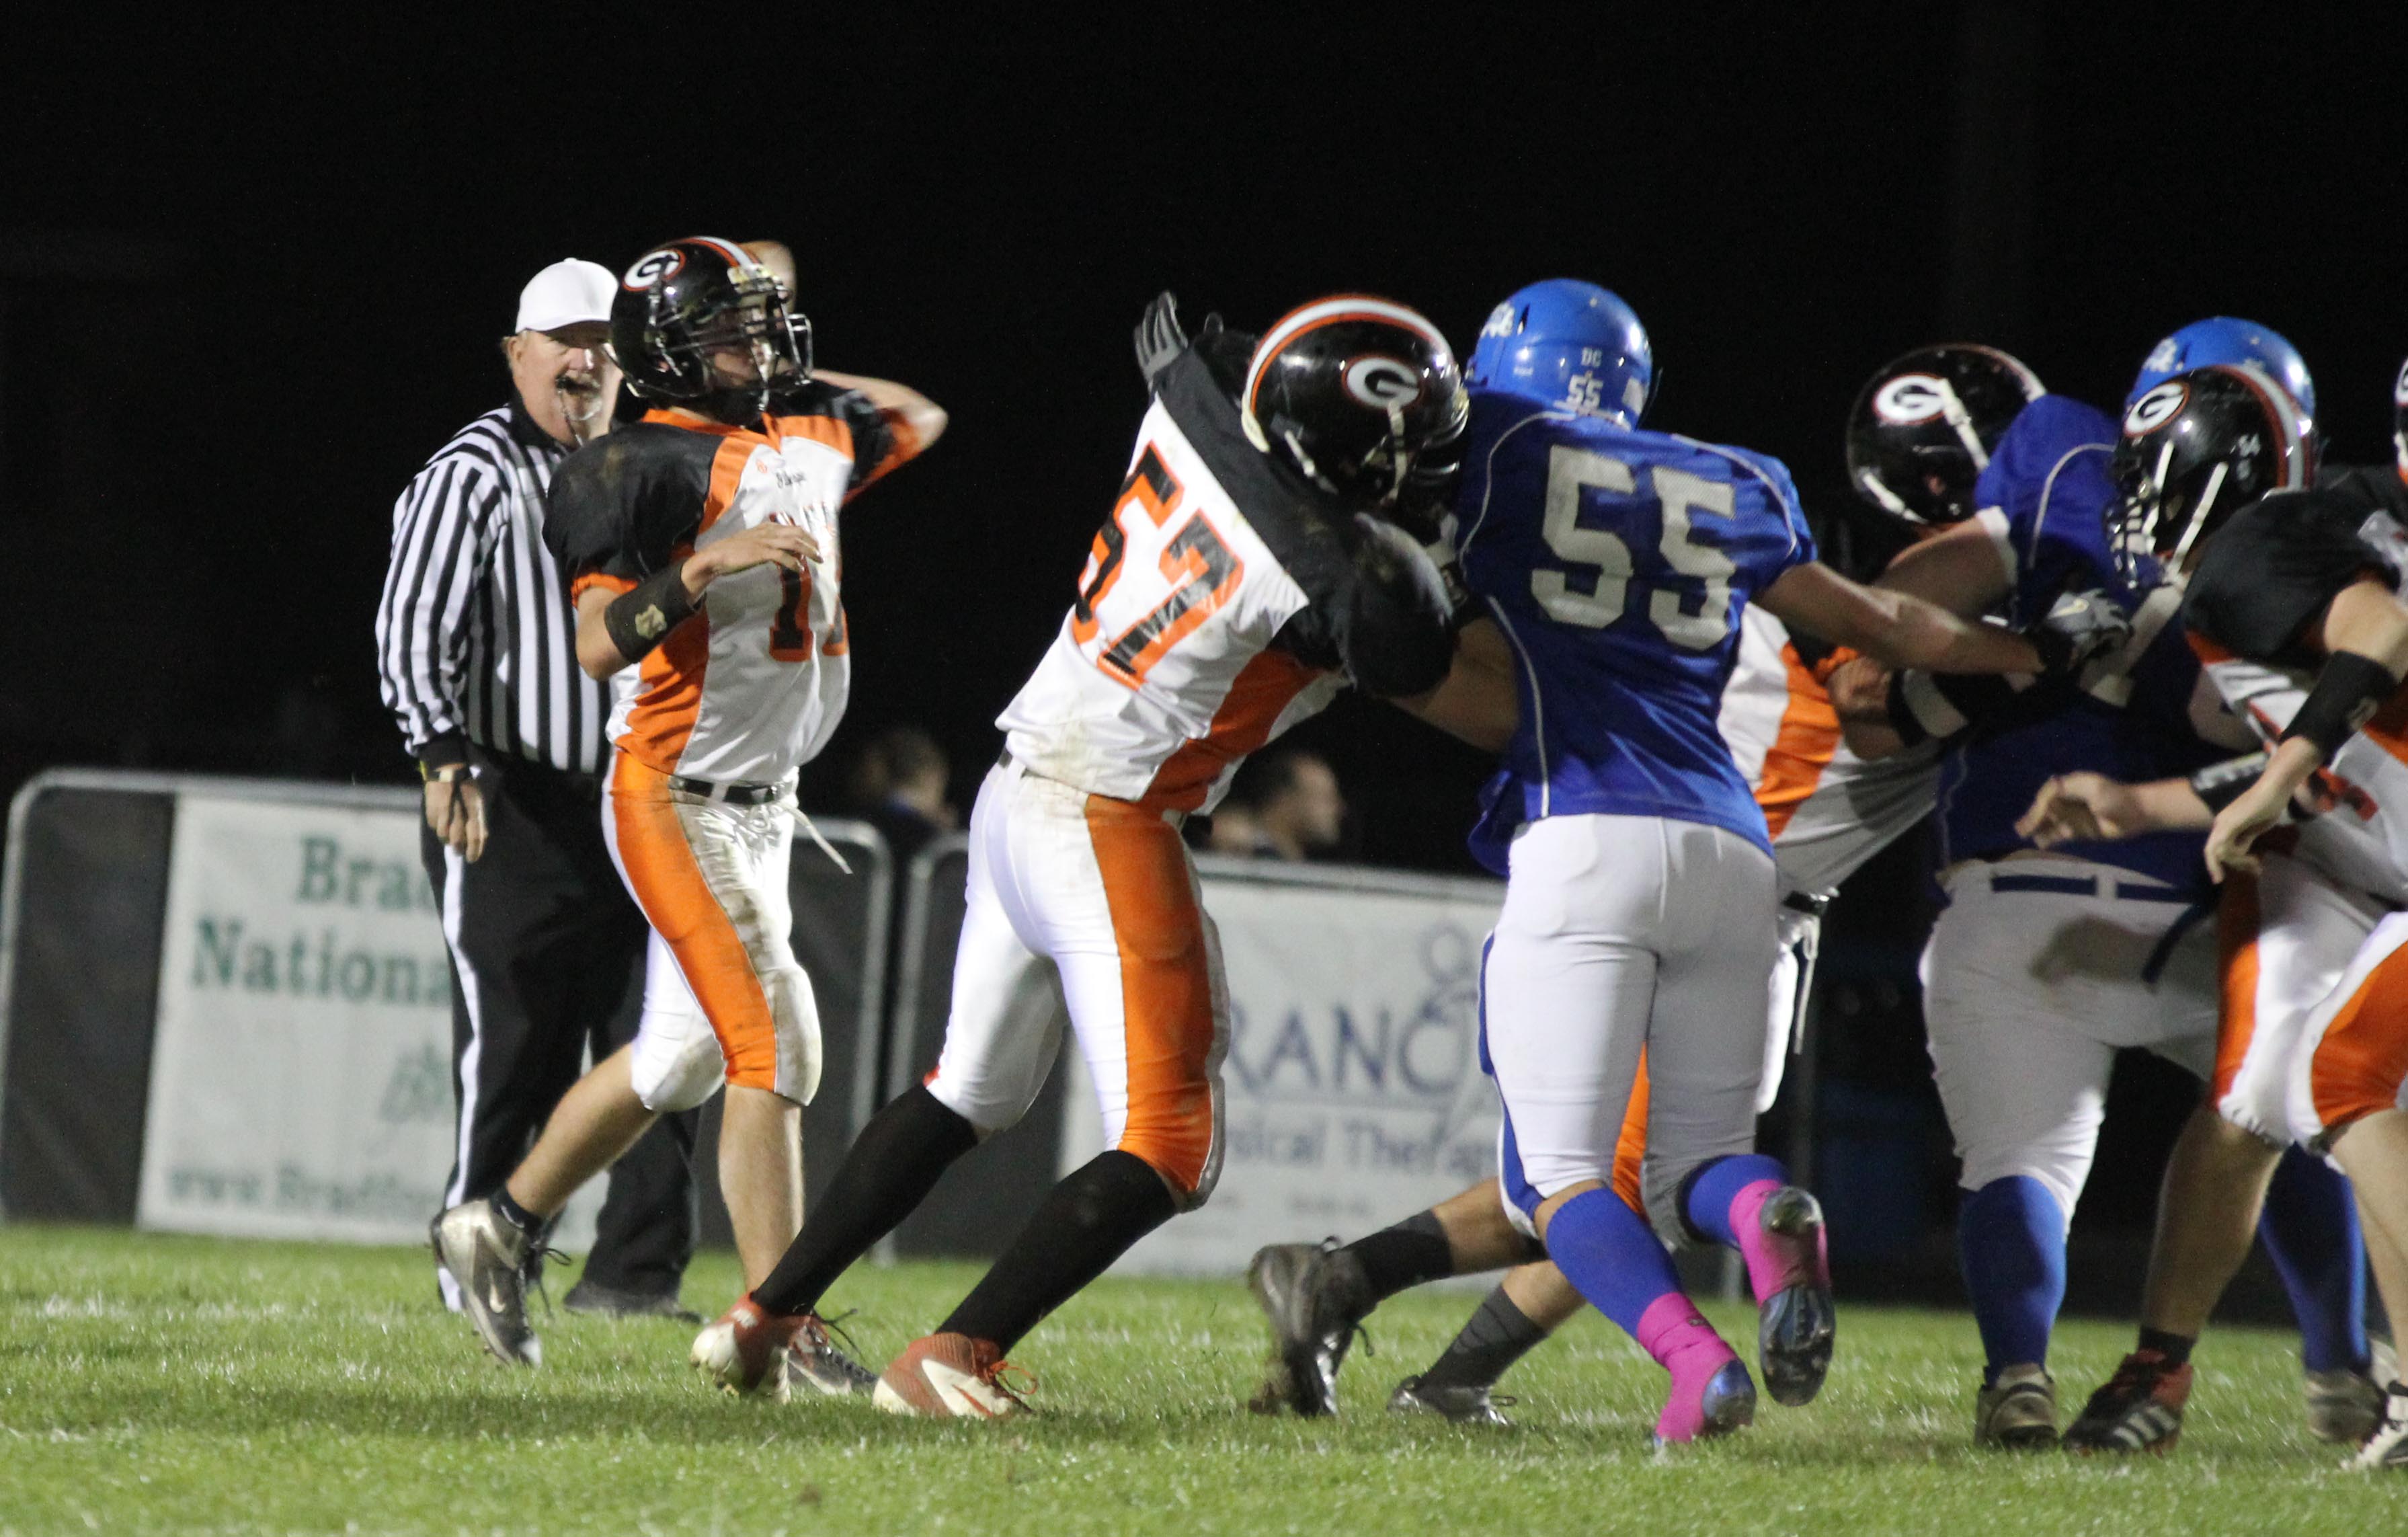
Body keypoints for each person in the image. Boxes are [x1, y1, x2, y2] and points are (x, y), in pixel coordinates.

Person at [1260, 280, 2087, 1450]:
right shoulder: (1738, 481)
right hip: (1738, 865)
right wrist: (2034, 654)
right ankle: (1422, 1329)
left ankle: (1667, 1360)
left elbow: (1442, 605)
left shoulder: (1502, 451)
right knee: (1685, 1171)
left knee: (1564, 1180)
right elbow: (1885, 632)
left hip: (1594, 833)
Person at [689, 290, 1504, 1417]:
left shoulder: (1197, 404)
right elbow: (1481, 703)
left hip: (1016, 785)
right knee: (1174, 1144)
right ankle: (953, 1355)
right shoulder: (1330, 581)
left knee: (963, 1089)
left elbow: (1210, 357)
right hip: (1112, 814)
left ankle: (761, 1314)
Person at [1824, 321, 2378, 1449]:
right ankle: (2341, 1373)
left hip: (2021, 890)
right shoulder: (2317, 544)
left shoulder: (2067, 455)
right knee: (2276, 1110)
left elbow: (1877, 677)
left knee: (2019, 1162)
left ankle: (2017, 1375)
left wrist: (1993, 651)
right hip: (2200, 898)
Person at [428, 237, 946, 1384]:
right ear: (667, 352)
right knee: (777, 1035)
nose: (762, 348)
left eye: (766, 325)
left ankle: (496, 1226)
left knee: (675, 1062)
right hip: (675, 793)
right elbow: (595, 643)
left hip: (764, 805)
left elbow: (917, 415)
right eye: (733, 332)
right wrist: (703, 571)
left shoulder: (803, 433)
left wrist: (764, 333)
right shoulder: (634, 465)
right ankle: (781, 1324)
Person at [2019, 358, 2407, 1468]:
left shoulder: (2255, 542)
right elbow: (2322, 738)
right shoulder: (2326, 522)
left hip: (2378, 850)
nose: (2133, 502)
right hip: (2352, 853)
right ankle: (2169, 1368)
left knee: (2338, 1082)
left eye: (2148, 474)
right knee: (2265, 1095)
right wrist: (2145, 803)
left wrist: (2274, 782)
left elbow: (2376, 642)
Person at [375, 257, 700, 1323]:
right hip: (514, 799)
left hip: (637, 797)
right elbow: (412, 621)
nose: (585, 362)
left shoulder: (646, 461)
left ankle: (633, 1278)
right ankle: (479, 1261)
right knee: (518, 1046)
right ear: (517, 353)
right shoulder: (474, 471)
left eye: (605, 342)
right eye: (565, 341)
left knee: (665, 1040)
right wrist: (440, 752)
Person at [1211, 749, 1346, 861]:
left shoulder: (1293, 866)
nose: (1340, 810)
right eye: (1326, 799)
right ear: (1286, 801)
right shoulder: (1242, 853)